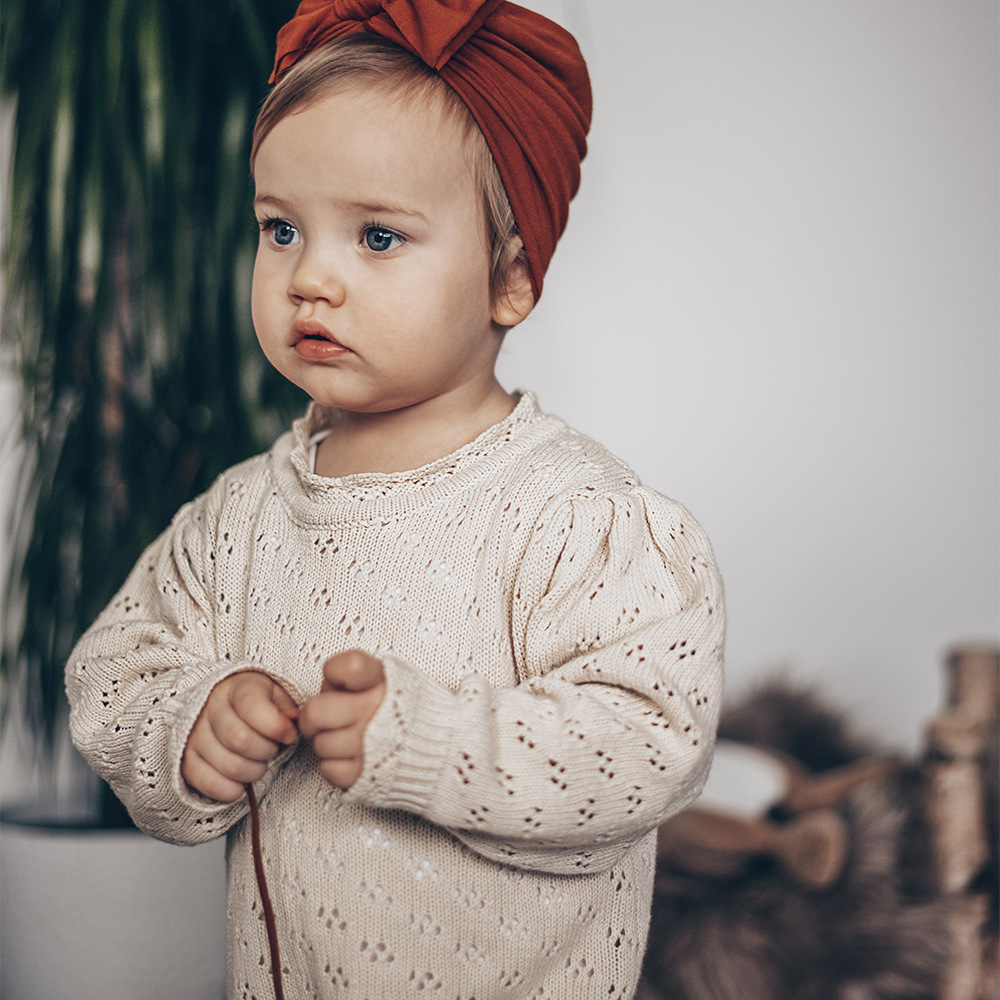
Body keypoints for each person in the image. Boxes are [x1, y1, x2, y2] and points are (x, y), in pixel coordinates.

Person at [66, 2, 724, 997]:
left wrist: (428, 741)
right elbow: (112, 673)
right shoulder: (237, 517)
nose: (311, 278)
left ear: (508, 277)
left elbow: (648, 743)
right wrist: (190, 720)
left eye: (376, 236)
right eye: (280, 229)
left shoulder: (575, 516)